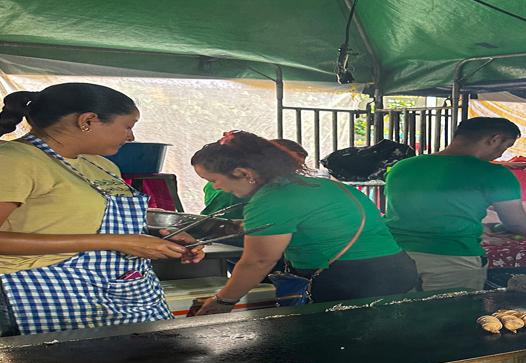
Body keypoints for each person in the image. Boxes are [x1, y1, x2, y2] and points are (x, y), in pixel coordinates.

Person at [0, 82, 203, 336]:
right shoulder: (14, 160)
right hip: (33, 288)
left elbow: (87, 221)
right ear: (88, 120)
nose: (131, 137)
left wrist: (157, 238)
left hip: (114, 291)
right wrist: (118, 241)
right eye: (128, 126)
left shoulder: (101, 165)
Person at [189, 131, 418, 315]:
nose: (215, 187)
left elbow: (258, 261)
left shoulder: (273, 198)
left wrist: (224, 300)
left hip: (353, 281)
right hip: (395, 270)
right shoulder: (315, 185)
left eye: (213, 180)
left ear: (242, 172)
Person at [383, 117, 526, 291]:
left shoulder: (402, 167)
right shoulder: (494, 173)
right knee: (451, 316)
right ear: (495, 139)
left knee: (397, 313)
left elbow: (417, 211)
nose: (500, 154)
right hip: (452, 258)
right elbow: (516, 223)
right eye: (505, 147)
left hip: (395, 256)